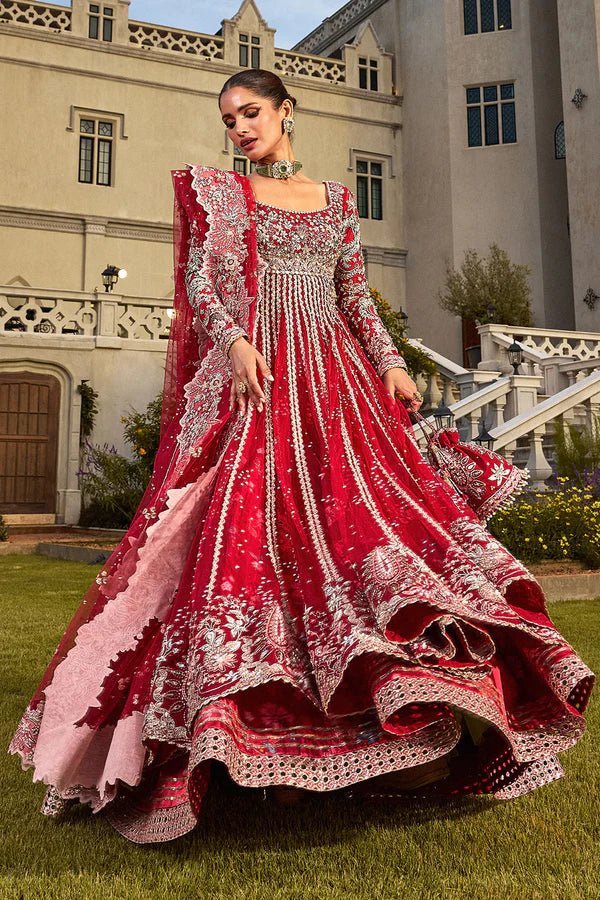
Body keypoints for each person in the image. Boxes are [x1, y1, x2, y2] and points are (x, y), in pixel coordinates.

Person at [8, 69, 595, 845]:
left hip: (338, 387)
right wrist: (236, 340)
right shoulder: (223, 196)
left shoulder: (337, 202)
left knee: (365, 542)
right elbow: (202, 287)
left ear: (288, 112)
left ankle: (384, 741)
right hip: (262, 386)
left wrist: (386, 361)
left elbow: (353, 293)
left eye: (252, 112)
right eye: (229, 118)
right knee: (257, 549)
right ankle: (262, 748)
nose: (240, 127)